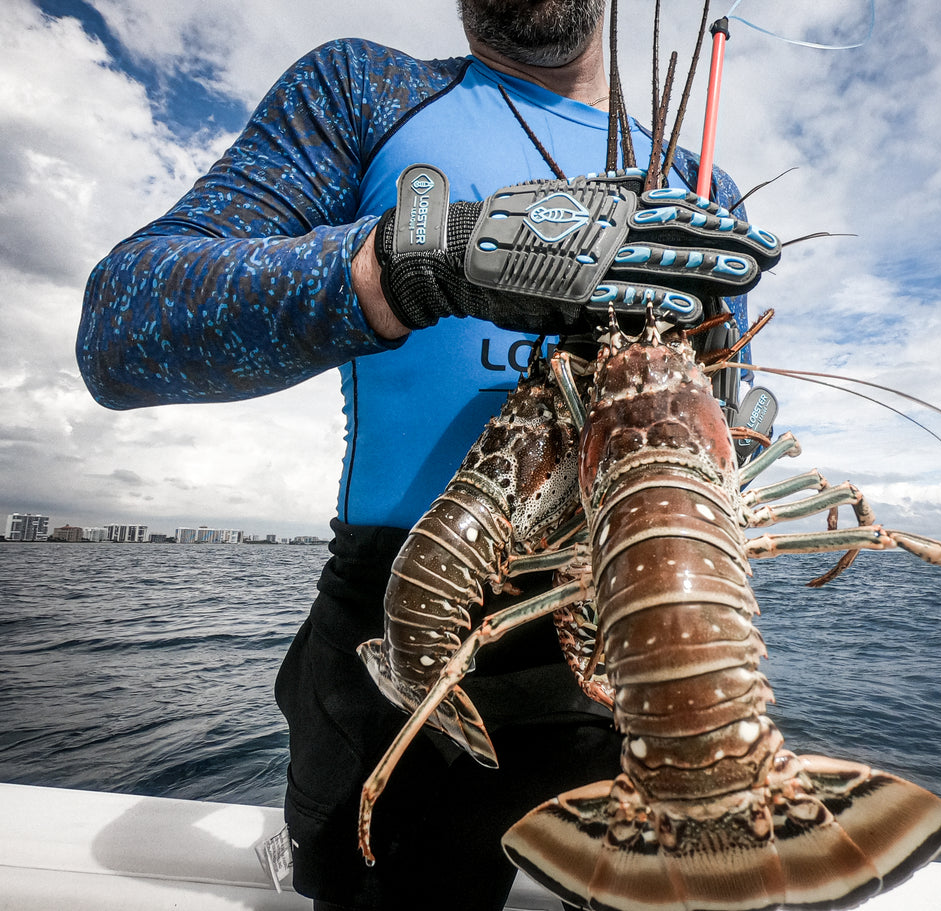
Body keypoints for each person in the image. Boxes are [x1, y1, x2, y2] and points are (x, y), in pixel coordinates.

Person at [77, 2, 779, 909]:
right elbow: (121, 328)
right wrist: (420, 259)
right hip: (393, 637)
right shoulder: (365, 92)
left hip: (638, 619)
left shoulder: (698, 177)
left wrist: (739, 406)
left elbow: (740, 421)